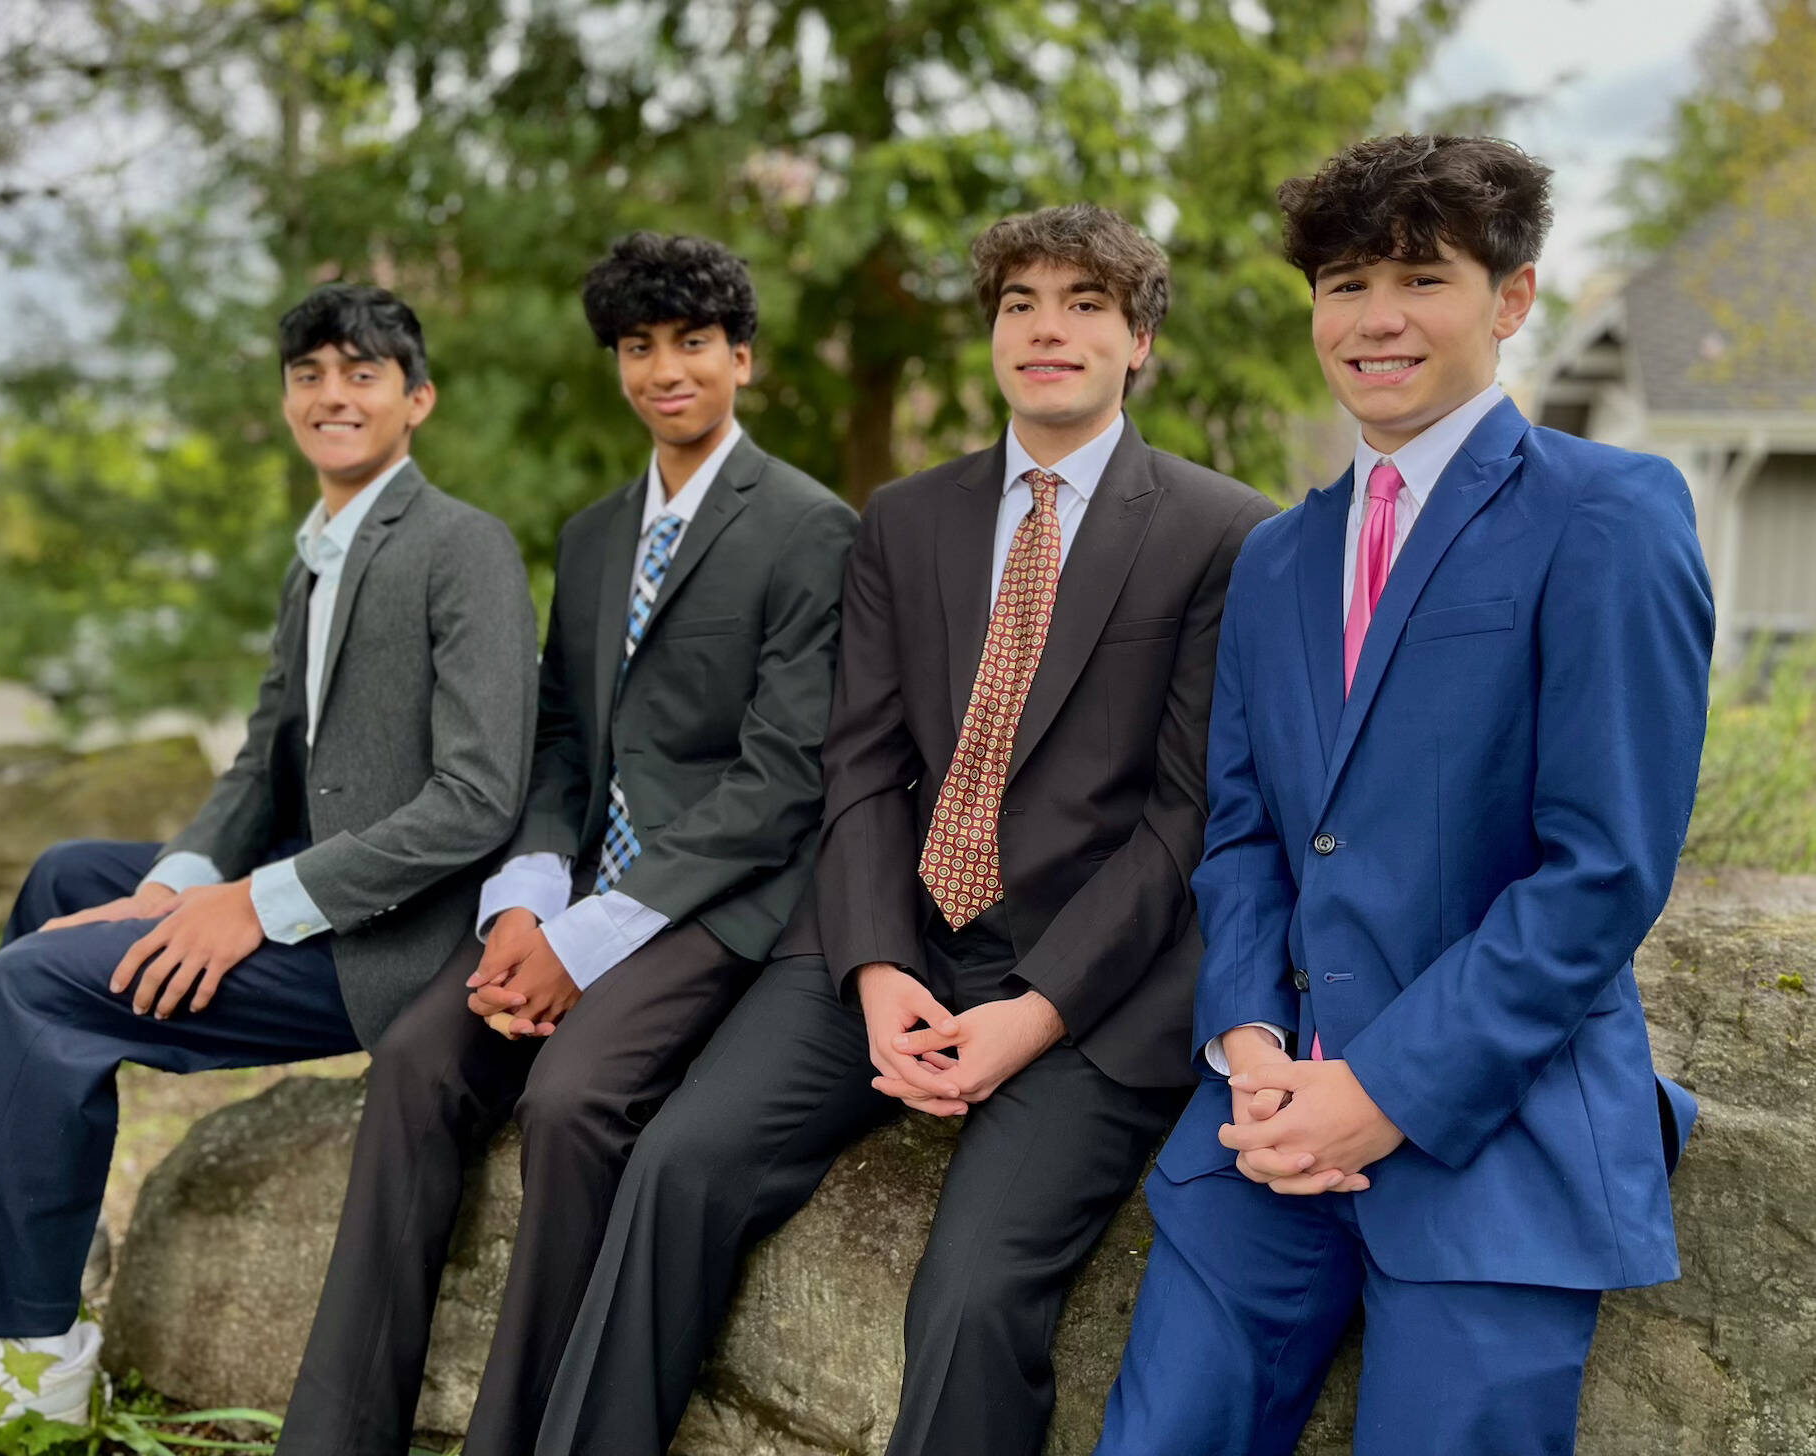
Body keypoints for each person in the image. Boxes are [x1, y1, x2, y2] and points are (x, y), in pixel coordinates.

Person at [534, 204, 1278, 1456]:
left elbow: (1184, 817)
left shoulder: (1222, 531)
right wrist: (876, 968)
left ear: (1139, 339)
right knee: (677, 1167)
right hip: (887, 941)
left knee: (973, 1290)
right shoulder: (904, 518)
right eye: (1019, 303)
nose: (1047, 328)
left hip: (1084, 989)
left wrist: (1033, 1011)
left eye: (1085, 304)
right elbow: (862, 764)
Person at [0, 283, 540, 1449]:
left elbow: (479, 799)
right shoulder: (317, 558)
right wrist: (183, 877)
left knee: (37, 984)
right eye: (309, 375)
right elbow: (256, 764)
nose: (331, 394)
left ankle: (33, 1364)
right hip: (315, 886)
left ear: (417, 399)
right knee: (65, 878)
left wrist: (253, 905)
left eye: (362, 373)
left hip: (395, 943)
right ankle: (5, 1245)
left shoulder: (461, 546)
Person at [1093, 134, 1711, 1456]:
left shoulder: (1607, 514)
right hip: (1264, 1130)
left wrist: (1382, 1086)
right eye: (1339, 284)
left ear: (1509, 297)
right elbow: (1247, 833)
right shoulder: (1272, 559)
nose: (1372, 319)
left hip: (1493, 1125)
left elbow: (1600, 869)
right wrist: (1247, 1046)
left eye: (1417, 279)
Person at [273, 232, 857, 1456]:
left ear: (740, 357)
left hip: (718, 903)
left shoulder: (810, 529)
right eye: (638, 349)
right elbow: (553, 745)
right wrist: (526, 907)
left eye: (692, 343)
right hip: (576, 888)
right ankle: (335, 1435)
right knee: (421, 1060)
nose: (665, 370)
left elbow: (777, 781)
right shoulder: (593, 536)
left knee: (574, 1096)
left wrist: (587, 944)